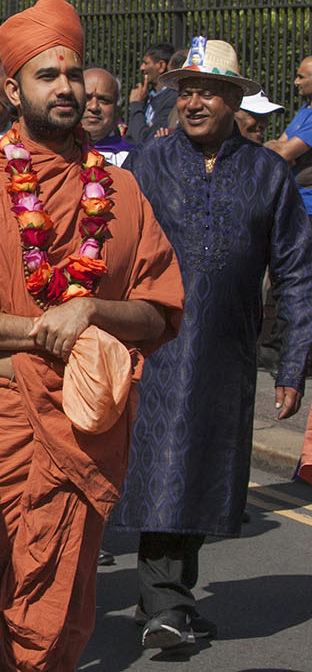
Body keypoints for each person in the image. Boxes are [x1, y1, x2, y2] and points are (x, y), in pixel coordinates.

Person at [0, 0, 184, 670]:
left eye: (74, 72)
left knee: (53, 609)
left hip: (85, 431)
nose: (66, 87)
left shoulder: (121, 193)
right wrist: (43, 330)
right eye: (46, 75)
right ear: (12, 90)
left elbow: (160, 310)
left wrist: (90, 311)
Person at [111, 38, 312, 650]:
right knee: (162, 467)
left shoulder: (268, 173)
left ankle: (177, 597)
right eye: (186, 91)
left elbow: (297, 272)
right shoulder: (149, 161)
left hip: (228, 353)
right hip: (159, 344)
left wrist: (293, 365)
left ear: (233, 99)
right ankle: (163, 604)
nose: (193, 102)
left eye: (208, 92)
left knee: (205, 470)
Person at [264, 53, 312, 214]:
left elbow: (282, 153)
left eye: (301, 77)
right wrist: (277, 147)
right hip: (295, 202)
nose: (296, 82)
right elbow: (277, 149)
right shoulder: (305, 110)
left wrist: (281, 149)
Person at [126, 42, 177, 144]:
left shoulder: (172, 99)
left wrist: (136, 105)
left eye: (146, 63)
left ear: (161, 66)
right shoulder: (146, 96)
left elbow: (144, 140)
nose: (142, 68)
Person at [84, 67, 135, 167]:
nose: (94, 107)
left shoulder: (132, 159)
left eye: (104, 100)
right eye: (86, 98)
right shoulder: (54, 153)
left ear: (117, 111)